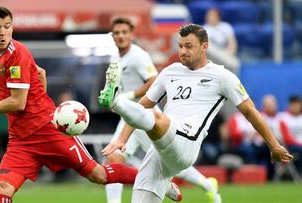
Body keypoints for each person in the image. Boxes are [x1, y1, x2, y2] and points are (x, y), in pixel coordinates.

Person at [0, 5, 139, 203]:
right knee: (2, 188)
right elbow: (40, 73)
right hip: (21, 139)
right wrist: (39, 103)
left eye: (7, 26)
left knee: (98, 175)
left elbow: (18, 103)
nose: (2, 32)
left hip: (48, 131)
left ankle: (151, 180)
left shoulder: (16, 54)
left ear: (12, 27)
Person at [99, 24, 293, 203]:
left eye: (188, 46)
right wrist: (122, 139)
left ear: (204, 46)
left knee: (157, 118)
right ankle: (166, 182)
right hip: (160, 150)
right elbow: (142, 107)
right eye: (180, 46)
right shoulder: (170, 72)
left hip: (187, 142)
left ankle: (115, 101)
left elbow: (250, 112)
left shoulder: (222, 76)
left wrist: (274, 145)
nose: (182, 51)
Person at [105, 17, 220, 203]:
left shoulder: (138, 56)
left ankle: (206, 185)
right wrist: (116, 100)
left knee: (167, 160)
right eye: (117, 33)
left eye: (124, 32)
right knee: (114, 158)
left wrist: (128, 96)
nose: (121, 36)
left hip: (147, 118)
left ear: (132, 34)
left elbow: (152, 80)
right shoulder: (115, 58)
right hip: (129, 117)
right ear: (112, 36)